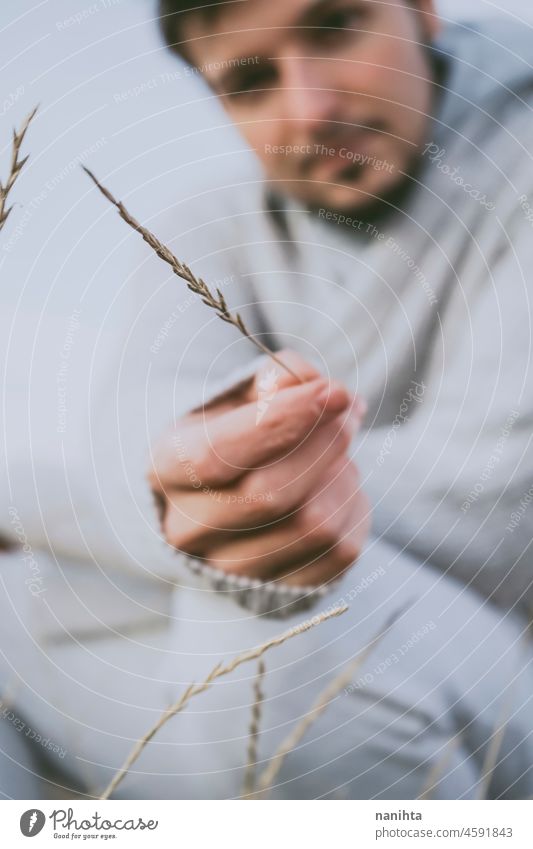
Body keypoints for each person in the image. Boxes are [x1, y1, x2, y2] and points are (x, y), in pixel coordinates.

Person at [1, 0, 532, 799]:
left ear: (421, 11)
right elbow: (135, 434)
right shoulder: (209, 231)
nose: (311, 106)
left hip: (491, 662)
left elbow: (496, 511)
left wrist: (43, 505)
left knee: (286, 612)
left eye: (333, 27)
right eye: (250, 81)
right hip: (245, 686)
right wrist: (193, 491)